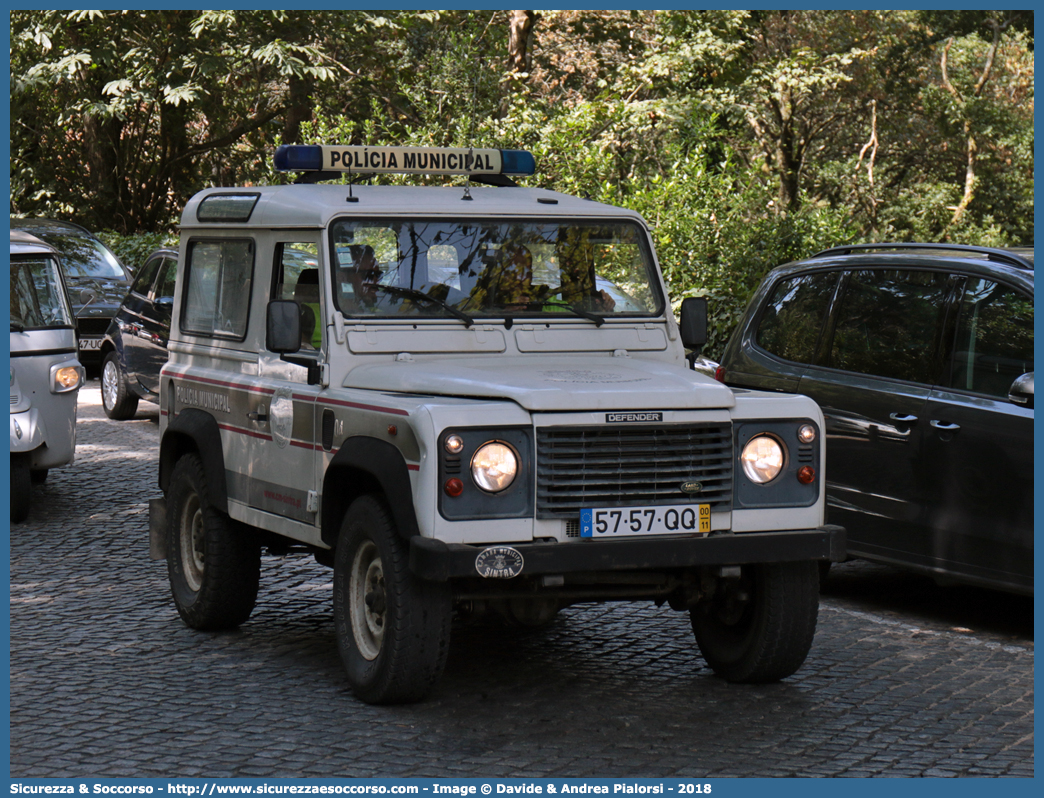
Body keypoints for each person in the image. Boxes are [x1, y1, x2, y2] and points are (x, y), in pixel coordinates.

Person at [339, 244, 382, 312]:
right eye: (367, 275)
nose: (375, 281)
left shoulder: (384, 303)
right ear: (345, 276)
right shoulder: (332, 309)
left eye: (378, 274)